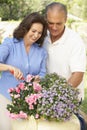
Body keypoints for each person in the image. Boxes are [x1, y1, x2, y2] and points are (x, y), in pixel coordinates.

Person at [0, 12, 47, 130]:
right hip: (5, 98)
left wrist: (38, 79)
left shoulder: (41, 52)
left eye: (39, 33)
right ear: (25, 28)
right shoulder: (10, 44)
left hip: (27, 103)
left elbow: (43, 74)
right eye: (33, 31)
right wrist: (10, 67)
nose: (36, 35)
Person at [43, 2, 86, 130]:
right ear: (46, 19)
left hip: (68, 96)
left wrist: (59, 98)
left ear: (65, 20)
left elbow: (78, 75)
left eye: (59, 23)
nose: (54, 27)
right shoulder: (42, 36)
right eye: (50, 23)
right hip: (46, 96)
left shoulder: (75, 41)